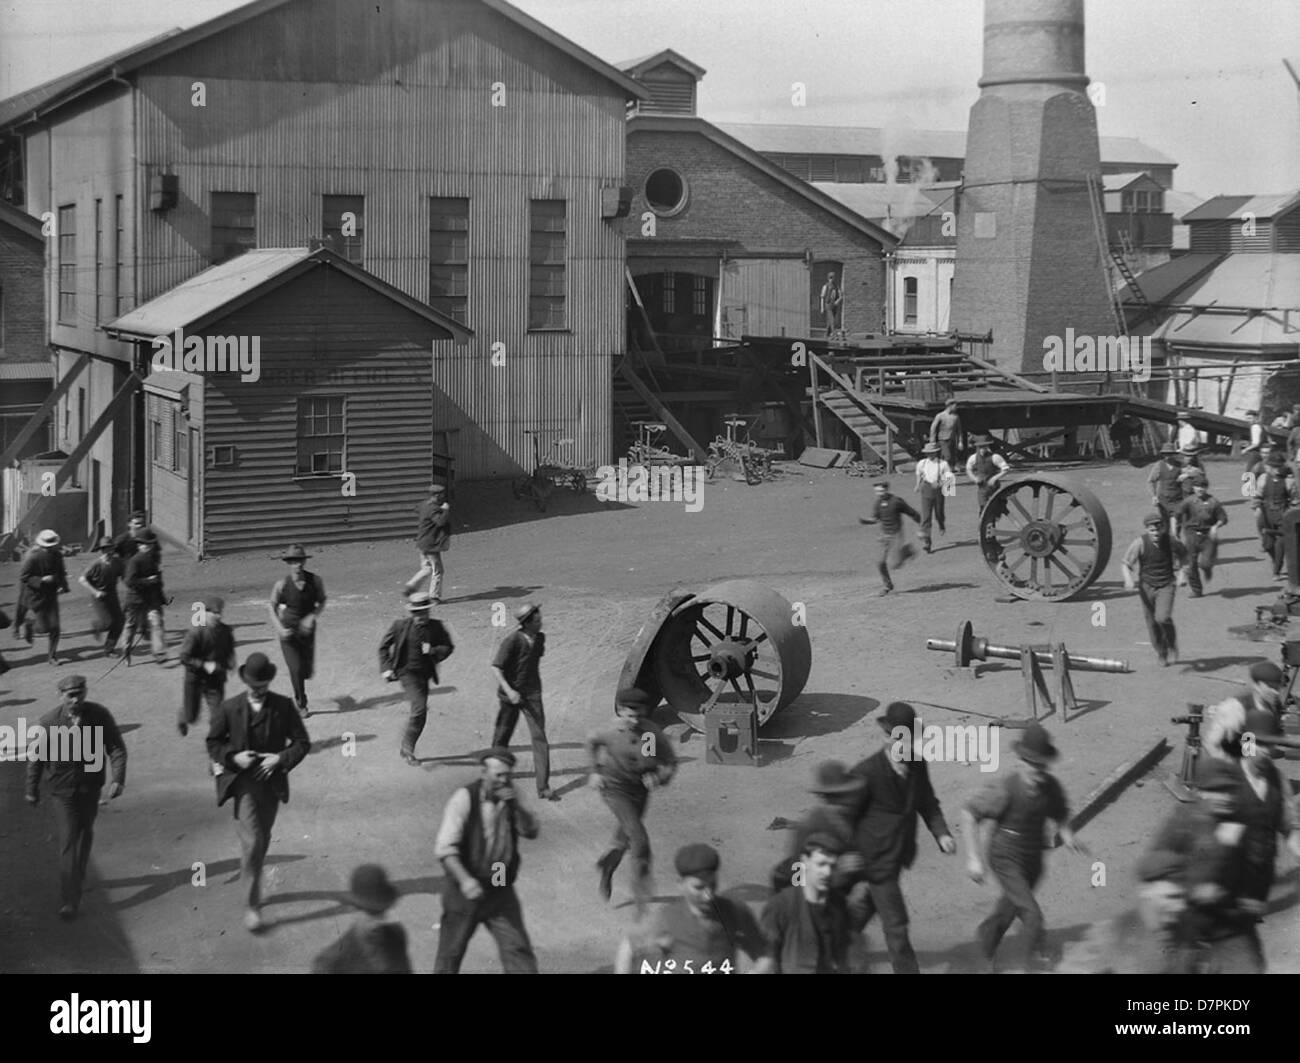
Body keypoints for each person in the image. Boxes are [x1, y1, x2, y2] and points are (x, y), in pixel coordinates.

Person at [962, 723, 1084, 972]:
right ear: (1021, 760)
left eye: (1041, 765)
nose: (1037, 771)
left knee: (1012, 904)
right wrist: (974, 858)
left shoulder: (1051, 787)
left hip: (1033, 858)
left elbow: (1061, 813)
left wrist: (1068, 834)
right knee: (1032, 914)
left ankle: (987, 939)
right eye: (1031, 763)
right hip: (1005, 854)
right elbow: (968, 814)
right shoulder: (1004, 790)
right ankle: (1023, 965)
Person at [845, 702, 956, 974]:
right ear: (886, 737)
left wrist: (942, 834)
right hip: (874, 859)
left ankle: (835, 940)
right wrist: (849, 855)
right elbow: (845, 818)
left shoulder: (918, 765)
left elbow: (927, 803)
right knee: (896, 924)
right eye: (898, 739)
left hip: (898, 855)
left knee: (865, 910)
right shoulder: (866, 773)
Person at [207, 652, 312, 932]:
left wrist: (280, 758)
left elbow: (302, 743)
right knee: (253, 840)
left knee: (262, 838)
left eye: (264, 685)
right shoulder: (230, 708)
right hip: (242, 783)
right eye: (255, 686)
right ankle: (251, 905)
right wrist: (233, 758)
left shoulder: (283, 706)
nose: (260, 691)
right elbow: (213, 743)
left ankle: (251, 872)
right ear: (246, 682)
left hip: (272, 783)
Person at [1136, 758, 1258, 974]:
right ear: (1202, 792)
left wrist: (1248, 894)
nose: (1224, 797)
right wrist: (1190, 888)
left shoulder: (1241, 822)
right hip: (1187, 921)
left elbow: (1251, 867)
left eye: (1229, 790)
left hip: (1229, 921)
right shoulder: (1186, 819)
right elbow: (1149, 865)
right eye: (1216, 790)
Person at [25, 673, 127, 919]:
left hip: (90, 789)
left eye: (80, 694)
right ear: (60, 696)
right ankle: (70, 900)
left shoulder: (100, 716)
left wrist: (118, 779)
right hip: (62, 791)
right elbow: (35, 759)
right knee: (69, 839)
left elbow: (116, 748)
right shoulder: (48, 722)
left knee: (84, 835)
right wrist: (31, 789)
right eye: (70, 696)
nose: (75, 700)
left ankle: (77, 877)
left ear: (86, 692)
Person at [433, 747, 540, 974]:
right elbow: (445, 849)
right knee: (450, 954)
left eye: (507, 775)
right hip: (465, 890)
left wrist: (517, 807)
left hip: (499, 887)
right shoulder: (464, 798)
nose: (504, 780)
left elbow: (531, 831)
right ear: (483, 773)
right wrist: (465, 881)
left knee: (517, 950)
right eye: (498, 775)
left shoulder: (513, 795)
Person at [587, 686, 677, 911]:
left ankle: (608, 865)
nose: (634, 720)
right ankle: (641, 895)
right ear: (620, 711)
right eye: (629, 715)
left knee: (626, 836)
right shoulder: (608, 731)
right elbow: (591, 742)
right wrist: (594, 771)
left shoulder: (651, 732)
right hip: (615, 789)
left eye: (639, 715)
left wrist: (659, 776)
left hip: (640, 791)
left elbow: (670, 761)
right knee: (639, 839)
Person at [617, 843, 771, 974]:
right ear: (681, 885)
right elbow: (629, 946)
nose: (708, 895)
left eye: (712, 885)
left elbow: (764, 954)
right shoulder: (667, 917)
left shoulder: (734, 911)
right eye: (699, 888)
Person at [760, 833, 853, 974]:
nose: (827, 872)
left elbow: (842, 956)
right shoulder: (781, 905)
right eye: (821, 864)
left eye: (832, 866)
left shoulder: (838, 904)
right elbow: (766, 958)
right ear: (805, 861)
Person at [380, 591, 454, 765]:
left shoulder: (436, 627)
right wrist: (387, 669)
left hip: (425, 675)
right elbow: (383, 648)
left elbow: (448, 647)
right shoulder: (399, 626)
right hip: (406, 674)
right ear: (412, 613)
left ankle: (407, 746)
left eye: (426, 612)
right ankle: (407, 750)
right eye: (419, 613)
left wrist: (433, 651)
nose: (423, 616)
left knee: (420, 715)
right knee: (419, 709)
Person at [490, 602, 553, 800]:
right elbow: (496, 667)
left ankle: (543, 787)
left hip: (532, 693)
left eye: (540, 619)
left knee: (539, 737)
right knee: (502, 737)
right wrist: (510, 691)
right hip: (510, 695)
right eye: (536, 621)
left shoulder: (540, 638)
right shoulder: (512, 641)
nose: (540, 623)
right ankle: (493, 778)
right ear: (526, 623)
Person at [311, 864, 412, 974]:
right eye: (369, 912)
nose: (376, 922)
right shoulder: (330, 962)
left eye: (380, 911)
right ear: (353, 908)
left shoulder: (397, 936)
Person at [1121, 510, 1188, 666]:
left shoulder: (1171, 541)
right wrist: (1128, 579)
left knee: (1162, 617)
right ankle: (1161, 652)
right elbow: (1126, 563)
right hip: (1146, 587)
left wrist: (1182, 574)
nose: (1156, 533)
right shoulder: (1140, 543)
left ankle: (1171, 643)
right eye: (1152, 530)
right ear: (1147, 530)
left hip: (1166, 584)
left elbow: (1185, 556)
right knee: (1152, 623)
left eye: (1158, 529)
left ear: (1163, 528)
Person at [268, 544, 326, 715]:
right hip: (288, 632)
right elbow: (271, 606)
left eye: (300, 560)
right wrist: (279, 628)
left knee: (306, 671)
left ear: (304, 561)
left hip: (307, 632)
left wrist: (312, 617)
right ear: (288, 563)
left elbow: (322, 601)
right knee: (295, 669)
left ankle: (302, 681)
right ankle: (301, 703)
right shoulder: (282, 585)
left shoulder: (315, 581)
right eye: (293, 561)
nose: (297, 564)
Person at [178, 595, 237, 737]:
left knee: (217, 716)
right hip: (195, 679)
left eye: (219, 612)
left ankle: (215, 748)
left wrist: (231, 661)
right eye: (214, 613)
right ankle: (183, 716)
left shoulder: (225, 631)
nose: (218, 616)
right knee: (191, 716)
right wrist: (204, 665)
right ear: (205, 613)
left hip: (215, 679)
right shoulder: (196, 632)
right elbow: (184, 657)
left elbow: (229, 648)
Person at [859, 480, 921, 597]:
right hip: (884, 536)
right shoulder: (878, 503)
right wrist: (866, 521)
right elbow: (875, 518)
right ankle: (887, 585)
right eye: (877, 491)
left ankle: (908, 551)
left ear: (887, 490)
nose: (879, 493)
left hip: (896, 535)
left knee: (896, 564)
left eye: (881, 491)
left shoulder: (896, 502)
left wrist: (922, 525)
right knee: (880, 562)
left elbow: (912, 512)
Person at [18, 529, 69, 665]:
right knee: (43, 628)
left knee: (55, 627)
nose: (49, 549)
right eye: (47, 547)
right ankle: (30, 625)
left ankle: (52, 656)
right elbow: (24, 577)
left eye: (51, 546)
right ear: (41, 545)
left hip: (51, 595)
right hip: (36, 595)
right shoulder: (33, 557)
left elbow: (61, 572)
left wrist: (63, 586)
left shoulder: (57, 555)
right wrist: (41, 580)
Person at [1173, 471, 1227, 598]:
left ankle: (1207, 569)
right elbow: (1176, 515)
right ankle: (1197, 590)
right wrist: (1174, 531)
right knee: (1191, 564)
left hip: (1208, 537)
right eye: (1197, 486)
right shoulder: (1188, 501)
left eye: (1203, 486)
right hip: (1191, 535)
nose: (1200, 489)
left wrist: (1215, 526)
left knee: (1205, 563)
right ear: (1193, 487)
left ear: (1206, 487)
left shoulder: (1213, 502)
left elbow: (1223, 518)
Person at [122, 529, 167, 664]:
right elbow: (129, 581)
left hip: (152, 600)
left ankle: (159, 653)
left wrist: (161, 597)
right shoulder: (134, 561)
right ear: (138, 545)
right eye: (143, 544)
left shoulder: (154, 560)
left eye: (149, 544)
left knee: (157, 623)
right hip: (135, 600)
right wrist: (148, 580)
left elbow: (158, 582)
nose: (147, 546)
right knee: (131, 626)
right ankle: (126, 652)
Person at [1251, 451, 1299, 580]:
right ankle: (1275, 560)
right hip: (1266, 513)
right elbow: (1257, 496)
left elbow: (1295, 501)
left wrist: (1292, 515)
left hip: (1283, 513)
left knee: (1280, 543)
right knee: (1268, 545)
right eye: (1272, 467)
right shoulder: (1263, 479)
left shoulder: (1289, 481)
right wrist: (1256, 508)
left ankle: (1276, 570)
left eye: (1277, 466)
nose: (1274, 469)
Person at [404, 484, 452, 603]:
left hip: (421, 542)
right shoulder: (433, 509)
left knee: (426, 568)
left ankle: (411, 586)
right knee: (438, 570)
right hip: (431, 544)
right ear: (436, 495)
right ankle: (434, 596)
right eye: (441, 495)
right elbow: (440, 522)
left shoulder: (424, 504)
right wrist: (445, 510)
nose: (443, 496)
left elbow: (416, 508)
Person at [78, 535, 125, 657]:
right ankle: (97, 626)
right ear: (101, 550)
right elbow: (82, 579)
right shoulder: (95, 564)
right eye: (105, 549)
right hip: (99, 597)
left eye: (110, 548)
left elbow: (124, 576)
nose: (108, 552)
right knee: (108, 623)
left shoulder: (117, 562)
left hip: (112, 595)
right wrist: (95, 592)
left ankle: (109, 650)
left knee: (120, 622)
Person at [913, 442, 953, 553]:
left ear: (936, 452)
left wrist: (940, 484)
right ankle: (927, 542)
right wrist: (917, 485)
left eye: (932, 453)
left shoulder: (943, 464)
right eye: (928, 453)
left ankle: (941, 524)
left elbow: (949, 479)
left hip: (938, 491)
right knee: (926, 516)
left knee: (939, 513)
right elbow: (919, 474)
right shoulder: (922, 463)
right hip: (926, 489)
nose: (930, 455)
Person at [965, 434, 1010, 512]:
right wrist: (974, 478)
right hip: (982, 487)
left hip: (994, 487)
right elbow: (968, 469)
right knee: (983, 508)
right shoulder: (973, 458)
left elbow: (1006, 469)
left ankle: (994, 519)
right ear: (977, 447)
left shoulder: (995, 457)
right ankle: (985, 522)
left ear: (987, 446)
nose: (982, 449)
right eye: (980, 447)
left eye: (984, 447)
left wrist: (995, 478)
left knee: (996, 507)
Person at [1146, 442, 1183, 534]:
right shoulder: (1159, 465)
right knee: (1165, 527)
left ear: (1174, 454)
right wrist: (1153, 496)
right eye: (1166, 454)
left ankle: (1175, 543)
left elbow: (1189, 480)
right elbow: (1151, 481)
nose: (1168, 456)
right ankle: (1166, 545)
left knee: (1176, 527)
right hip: (1163, 501)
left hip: (1177, 500)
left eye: (1170, 454)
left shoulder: (1180, 466)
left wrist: (1185, 476)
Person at [928, 399, 962, 466]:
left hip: (952, 439)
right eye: (955, 405)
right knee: (947, 456)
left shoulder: (956, 417)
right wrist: (932, 440)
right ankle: (944, 469)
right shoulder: (940, 415)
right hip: (943, 439)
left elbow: (959, 430)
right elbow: (933, 428)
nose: (956, 407)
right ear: (949, 406)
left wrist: (960, 442)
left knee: (953, 456)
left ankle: (949, 469)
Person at [819, 272, 843, 338]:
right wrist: (822, 307)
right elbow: (822, 297)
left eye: (832, 278)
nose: (831, 279)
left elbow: (841, 296)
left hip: (834, 305)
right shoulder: (825, 286)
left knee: (830, 321)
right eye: (830, 278)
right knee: (832, 320)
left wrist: (837, 301)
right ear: (828, 278)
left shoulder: (836, 286)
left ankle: (826, 334)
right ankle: (834, 334)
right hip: (828, 304)